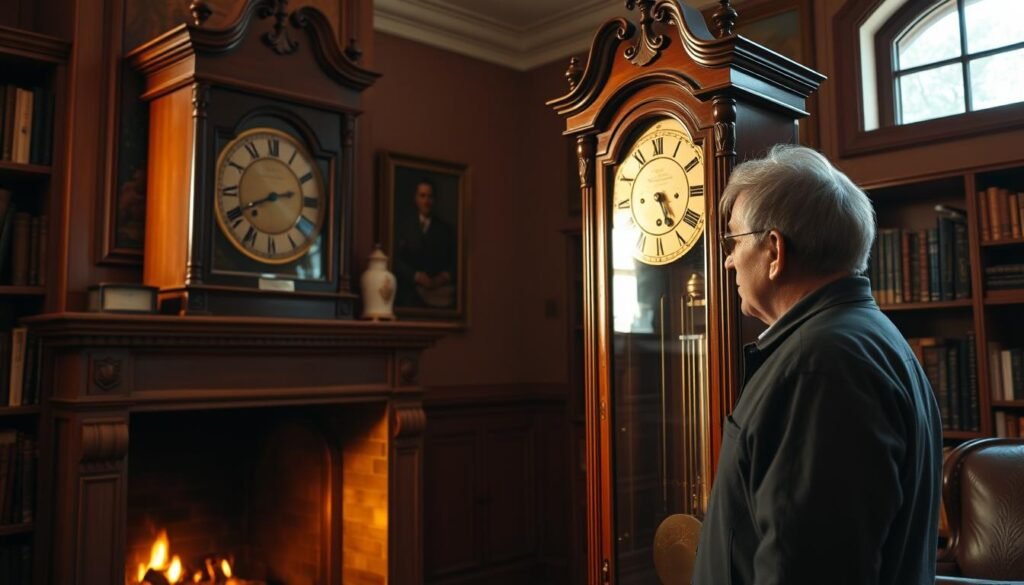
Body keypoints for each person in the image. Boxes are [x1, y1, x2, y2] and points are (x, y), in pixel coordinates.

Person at [692, 145, 942, 585]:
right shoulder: (865, 337)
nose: (728, 259)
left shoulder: (819, 366)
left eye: (732, 240)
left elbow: (802, 568)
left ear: (774, 250)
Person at [394, 178, 457, 309]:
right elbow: (395, 260)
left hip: (439, 296)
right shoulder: (403, 226)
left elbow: (454, 262)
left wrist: (442, 278)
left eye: (430, 197)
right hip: (409, 296)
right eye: (422, 196)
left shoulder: (445, 229)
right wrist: (416, 276)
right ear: (416, 198)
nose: (426, 201)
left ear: (434, 200)